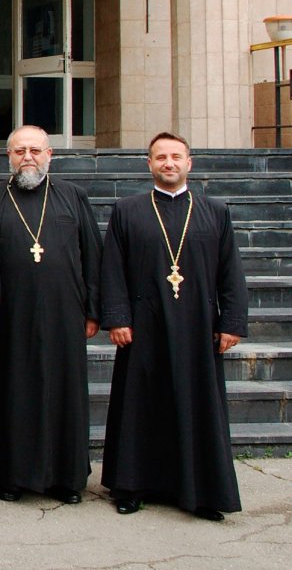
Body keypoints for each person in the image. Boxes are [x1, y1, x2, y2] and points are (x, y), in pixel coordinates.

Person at [100, 132, 249, 521]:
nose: (168, 163)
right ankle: (132, 486)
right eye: (160, 157)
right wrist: (117, 317)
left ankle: (201, 493)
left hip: (198, 325)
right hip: (142, 325)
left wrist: (231, 322)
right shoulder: (127, 210)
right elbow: (112, 268)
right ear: (148, 164)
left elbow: (230, 271)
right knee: (139, 405)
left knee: (196, 404)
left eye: (175, 156)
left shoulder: (215, 211)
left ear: (189, 163)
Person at [0, 126, 102, 504]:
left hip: (65, 314)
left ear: (50, 155)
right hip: (9, 318)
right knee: (11, 394)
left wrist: (94, 311)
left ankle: (67, 477)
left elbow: (93, 256)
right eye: (19, 151)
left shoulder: (73, 197)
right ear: (8, 157)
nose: (27, 157)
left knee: (65, 394)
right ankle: (12, 476)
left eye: (35, 150)